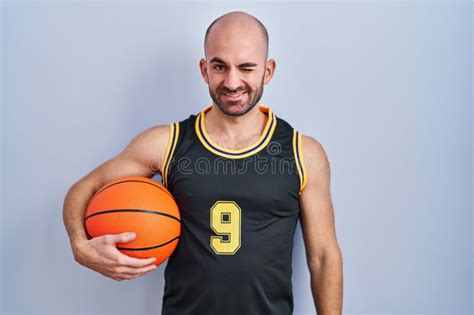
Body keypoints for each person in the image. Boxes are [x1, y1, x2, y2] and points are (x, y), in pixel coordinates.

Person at [63, 10, 343, 315]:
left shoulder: (303, 153)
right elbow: (85, 188)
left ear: (268, 70)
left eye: (246, 67)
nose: (232, 81)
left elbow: (324, 257)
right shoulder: (167, 143)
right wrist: (80, 246)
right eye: (220, 66)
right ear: (204, 69)